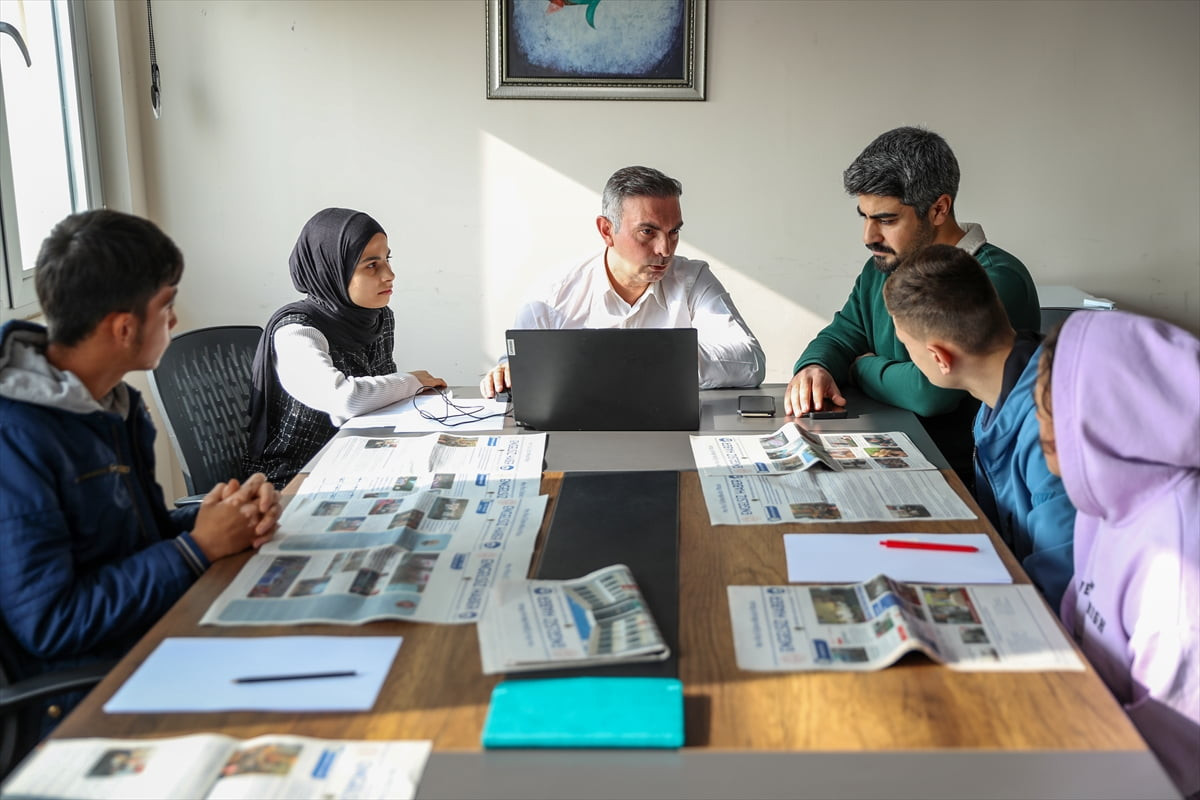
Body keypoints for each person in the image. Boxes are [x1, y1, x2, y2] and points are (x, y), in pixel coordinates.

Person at [0, 209, 281, 736]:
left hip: (151, 635)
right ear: (125, 327)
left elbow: (139, 537)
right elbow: (51, 623)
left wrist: (225, 517)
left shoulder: (111, 404)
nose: (174, 320)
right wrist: (197, 548)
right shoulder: (16, 438)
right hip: (86, 694)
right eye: (167, 306)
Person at [785, 127, 1041, 487]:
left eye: (887, 220)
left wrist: (862, 368)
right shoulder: (884, 263)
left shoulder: (995, 278)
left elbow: (929, 391)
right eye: (865, 217)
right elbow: (844, 334)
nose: (869, 236)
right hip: (890, 458)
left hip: (961, 478)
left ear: (939, 209)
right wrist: (816, 366)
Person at [1034, 310, 1198, 799]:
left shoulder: (1178, 562)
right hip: (1090, 730)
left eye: (1055, 397)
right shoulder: (1105, 500)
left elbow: (1174, 760)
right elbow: (1079, 617)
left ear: (1114, 411)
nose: (1039, 412)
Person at [882, 244, 1075, 610]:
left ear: (939, 357)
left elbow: (1062, 585)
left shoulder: (1047, 434)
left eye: (907, 346)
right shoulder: (1003, 392)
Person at [480, 166, 765, 397]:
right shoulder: (551, 295)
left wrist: (653, 359)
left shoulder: (693, 279)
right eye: (647, 232)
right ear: (607, 230)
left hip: (671, 437)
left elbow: (751, 363)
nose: (665, 250)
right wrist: (505, 374)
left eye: (673, 232)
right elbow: (517, 370)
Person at [244, 208, 445, 488]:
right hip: (297, 478)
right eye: (371, 265)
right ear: (332, 269)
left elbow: (381, 400)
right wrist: (410, 381)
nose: (390, 274)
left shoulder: (378, 317)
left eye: (387, 259)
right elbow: (343, 400)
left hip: (359, 460)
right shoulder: (295, 332)